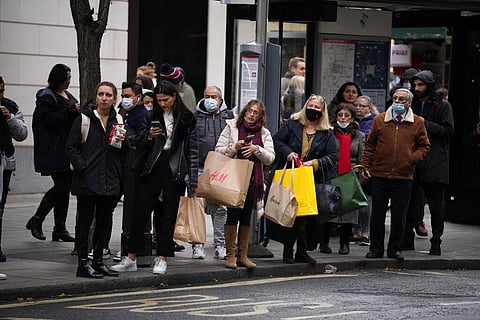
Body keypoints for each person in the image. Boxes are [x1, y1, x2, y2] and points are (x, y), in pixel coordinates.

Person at [111, 80, 199, 275]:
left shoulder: (186, 118)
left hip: (174, 168)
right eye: (159, 100)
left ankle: (162, 258)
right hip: (152, 166)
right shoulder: (151, 115)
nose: (162, 103)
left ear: (174, 97)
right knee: (140, 212)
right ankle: (131, 257)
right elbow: (136, 141)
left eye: (165, 100)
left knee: (167, 216)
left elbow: (193, 151)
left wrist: (193, 180)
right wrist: (150, 136)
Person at [66, 81, 128, 278]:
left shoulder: (117, 119)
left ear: (114, 99)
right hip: (87, 179)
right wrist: (83, 167)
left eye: (108, 95)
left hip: (110, 179)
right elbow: (71, 148)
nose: (104, 98)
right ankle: (83, 263)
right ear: (96, 97)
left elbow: (123, 151)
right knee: (84, 223)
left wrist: (124, 141)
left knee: (104, 222)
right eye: (100, 94)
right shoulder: (84, 119)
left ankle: (99, 261)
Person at [360, 88, 430, 261]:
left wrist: (412, 158)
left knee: (399, 215)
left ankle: (395, 248)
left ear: (409, 103)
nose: (397, 102)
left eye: (402, 99)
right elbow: (370, 145)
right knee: (377, 214)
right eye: (395, 99)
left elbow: (425, 146)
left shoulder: (418, 122)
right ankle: (375, 248)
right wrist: (366, 166)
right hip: (380, 174)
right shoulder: (380, 119)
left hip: (403, 176)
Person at [268, 94, 337, 264]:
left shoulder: (327, 133)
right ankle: (287, 250)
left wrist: (314, 163)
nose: (313, 110)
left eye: (317, 108)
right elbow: (276, 141)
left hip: (311, 178)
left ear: (322, 111)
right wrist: (288, 153)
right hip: (290, 176)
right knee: (288, 212)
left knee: (305, 217)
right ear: (306, 106)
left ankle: (302, 251)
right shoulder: (292, 124)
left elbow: (332, 156)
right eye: (311, 106)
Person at [215, 99, 275, 269]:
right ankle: (230, 255)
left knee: (247, 216)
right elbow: (218, 150)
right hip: (234, 177)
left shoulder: (264, 133)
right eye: (249, 111)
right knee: (233, 214)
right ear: (244, 112)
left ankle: (243, 255)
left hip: (253, 180)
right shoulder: (232, 126)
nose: (251, 115)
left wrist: (257, 150)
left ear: (260, 116)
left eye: (256, 112)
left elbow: (271, 157)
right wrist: (235, 147)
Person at [402, 70, 454, 255]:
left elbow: (448, 131)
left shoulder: (442, 105)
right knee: (408, 204)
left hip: (435, 161)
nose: (416, 89)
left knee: (435, 206)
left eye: (420, 85)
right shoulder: (412, 103)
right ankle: (406, 241)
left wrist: (424, 123)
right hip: (413, 160)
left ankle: (436, 243)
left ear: (429, 85)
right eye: (414, 85)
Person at [28, 63, 80, 242]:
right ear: (58, 78)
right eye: (67, 78)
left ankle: (60, 228)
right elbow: (49, 120)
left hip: (65, 148)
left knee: (64, 188)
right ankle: (37, 219)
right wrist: (72, 110)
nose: (68, 81)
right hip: (53, 149)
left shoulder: (67, 95)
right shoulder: (46, 97)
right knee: (62, 186)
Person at [193, 85, 234, 260]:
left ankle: (220, 245)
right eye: (207, 96)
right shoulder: (194, 118)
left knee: (220, 208)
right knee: (197, 206)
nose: (210, 100)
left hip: (221, 168)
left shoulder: (229, 117)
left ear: (221, 100)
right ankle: (197, 245)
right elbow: (191, 146)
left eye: (214, 97)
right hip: (200, 166)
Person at [320, 103, 365, 255]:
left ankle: (344, 243)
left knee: (348, 211)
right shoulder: (329, 133)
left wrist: (358, 175)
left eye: (347, 116)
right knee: (328, 209)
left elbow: (361, 158)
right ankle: (324, 242)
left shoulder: (359, 136)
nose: (343, 118)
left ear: (352, 118)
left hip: (349, 176)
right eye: (340, 115)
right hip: (331, 174)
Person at [0, 76, 28, 263]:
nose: (0, 95)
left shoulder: (10, 106)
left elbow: (22, 134)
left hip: (4, 162)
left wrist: (9, 118)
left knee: (0, 208)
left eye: (2, 90)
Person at [351, 95, 377, 246]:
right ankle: (355, 231)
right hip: (353, 165)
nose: (358, 108)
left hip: (369, 165)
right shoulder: (351, 122)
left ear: (369, 107)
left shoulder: (374, 121)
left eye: (362, 106)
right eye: (356, 105)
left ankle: (365, 232)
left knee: (366, 199)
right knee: (353, 198)